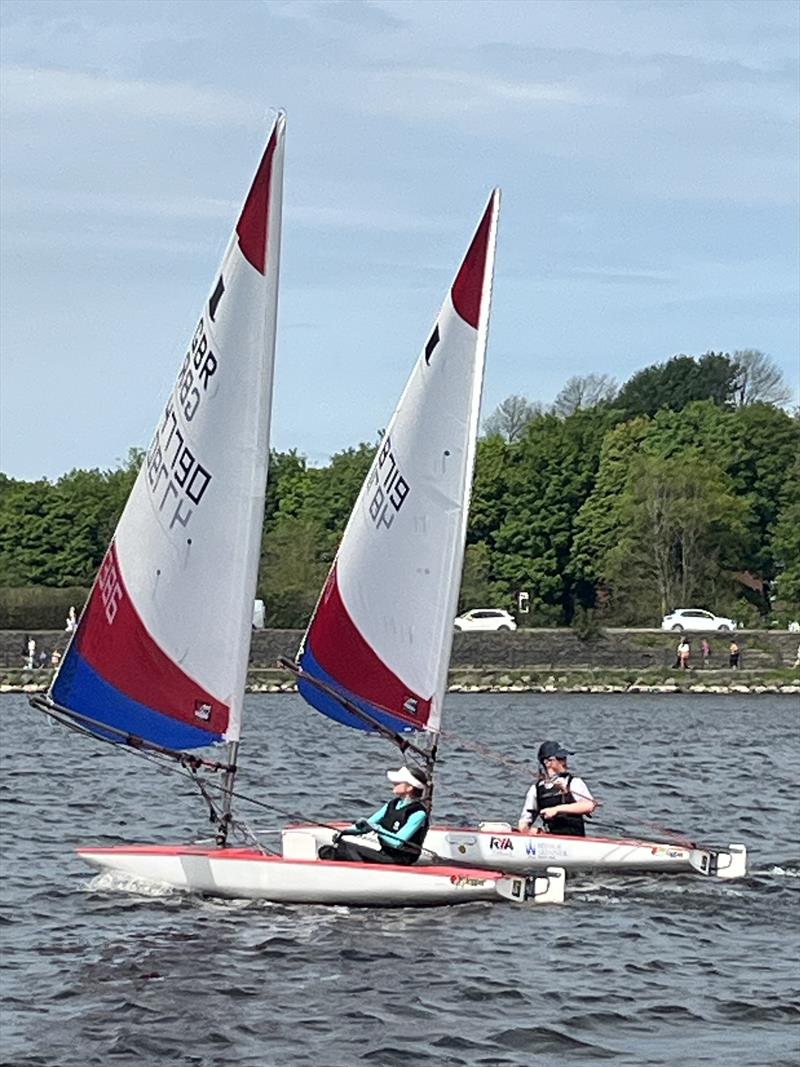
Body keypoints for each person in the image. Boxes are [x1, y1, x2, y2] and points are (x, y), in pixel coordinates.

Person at [319, 766, 430, 865]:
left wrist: (377, 828)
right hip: (385, 854)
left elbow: (397, 842)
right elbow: (369, 824)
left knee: (349, 849)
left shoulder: (418, 813)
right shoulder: (391, 805)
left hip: (401, 859)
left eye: (398, 782)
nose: (394, 784)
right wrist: (344, 832)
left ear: (410, 788)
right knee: (333, 848)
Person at [518, 741, 596, 837]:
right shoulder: (535, 790)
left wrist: (557, 810)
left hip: (576, 841)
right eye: (560, 758)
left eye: (564, 758)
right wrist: (530, 832)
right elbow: (524, 823)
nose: (564, 762)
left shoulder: (574, 782)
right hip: (550, 842)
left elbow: (589, 806)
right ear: (547, 762)